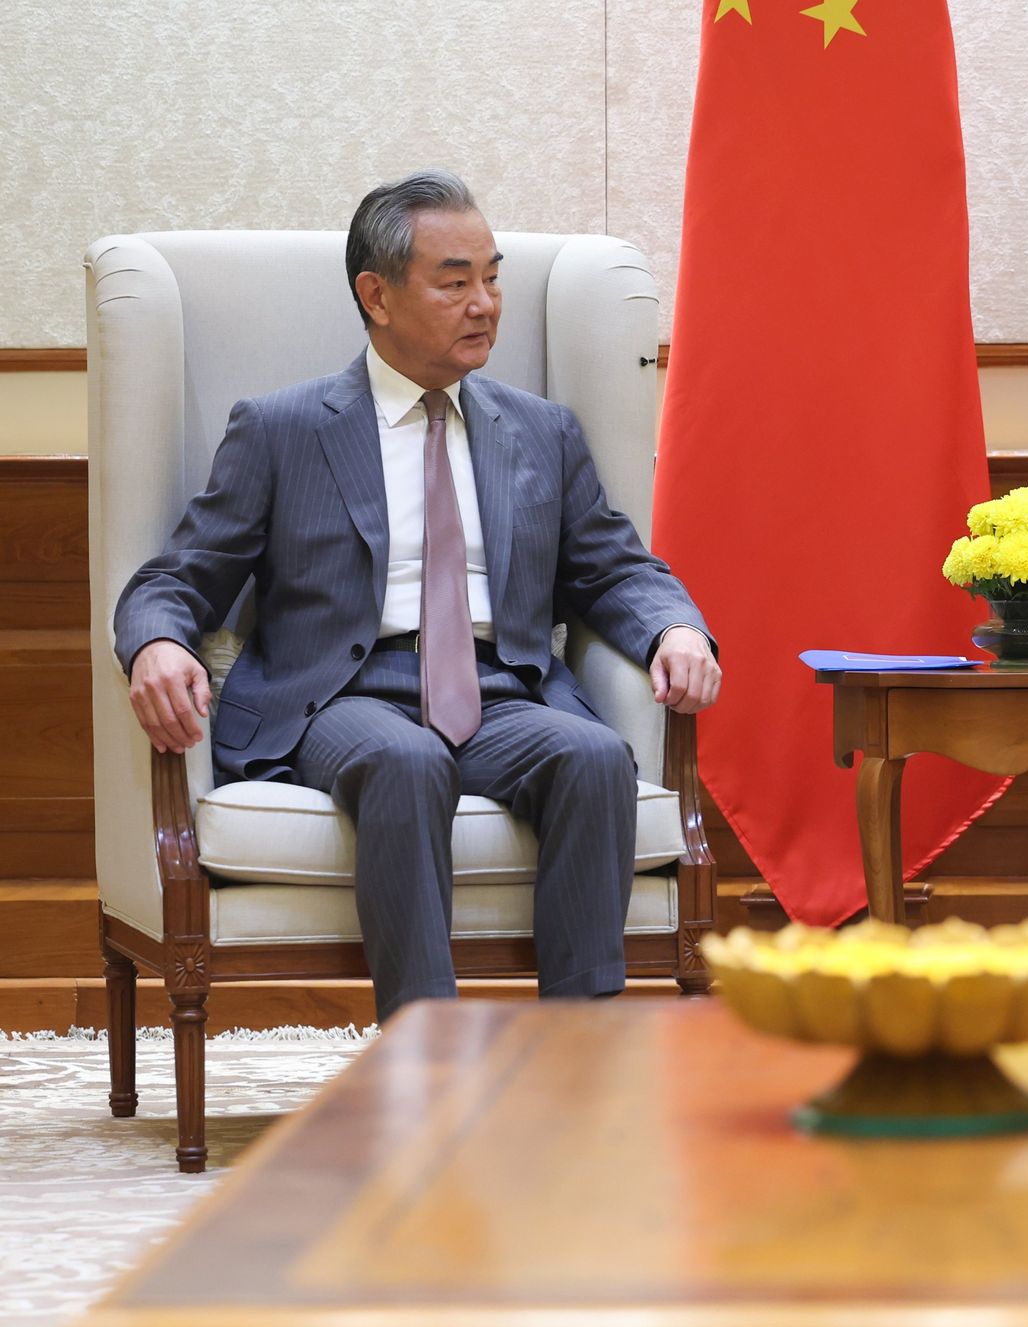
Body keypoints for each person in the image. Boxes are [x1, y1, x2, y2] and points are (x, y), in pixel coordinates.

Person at [114, 169, 719, 1021]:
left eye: (493, 277)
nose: (486, 303)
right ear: (378, 295)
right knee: (408, 761)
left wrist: (674, 630)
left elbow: (615, 568)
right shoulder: (284, 429)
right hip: (343, 698)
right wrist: (158, 642)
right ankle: (425, 1058)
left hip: (502, 690)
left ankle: (579, 1060)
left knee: (591, 757)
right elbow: (177, 578)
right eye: (455, 280)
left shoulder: (539, 432)